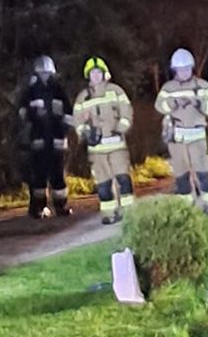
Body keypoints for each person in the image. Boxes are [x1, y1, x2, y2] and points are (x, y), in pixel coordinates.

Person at [154, 48, 208, 212]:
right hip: (176, 138)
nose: (183, 72)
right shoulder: (168, 88)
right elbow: (159, 105)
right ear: (174, 70)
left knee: (203, 172)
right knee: (181, 174)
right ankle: (186, 208)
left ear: (191, 68)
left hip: (197, 136)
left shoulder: (202, 86)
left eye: (186, 69)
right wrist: (174, 104)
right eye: (180, 69)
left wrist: (199, 103)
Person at [72, 56, 134, 225]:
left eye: (98, 72)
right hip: (96, 150)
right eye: (93, 73)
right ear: (88, 76)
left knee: (123, 179)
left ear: (104, 73)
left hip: (117, 145)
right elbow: (77, 121)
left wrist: (120, 129)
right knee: (103, 184)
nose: (96, 76)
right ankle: (108, 213)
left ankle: (129, 212)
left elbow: (126, 112)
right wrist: (85, 133)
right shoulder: (83, 98)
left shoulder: (116, 91)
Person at [17, 56, 72, 219]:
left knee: (57, 176)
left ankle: (61, 207)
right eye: (42, 73)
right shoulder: (31, 91)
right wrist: (32, 116)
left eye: (47, 73)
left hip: (56, 140)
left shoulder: (58, 90)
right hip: (39, 139)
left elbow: (69, 113)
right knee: (38, 176)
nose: (45, 76)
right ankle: (37, 208)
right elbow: (22, 112)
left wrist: (64, 128)